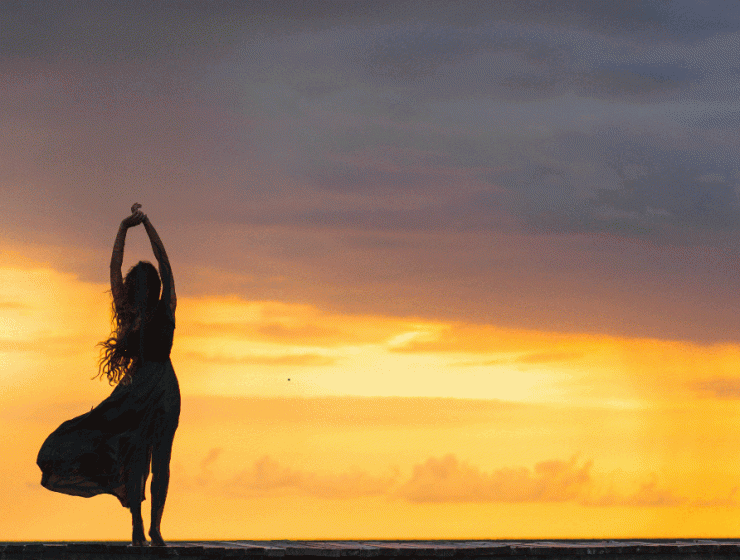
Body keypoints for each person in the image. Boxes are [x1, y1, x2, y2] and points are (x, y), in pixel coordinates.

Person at [37, 204, 181, 547]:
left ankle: (148, 528)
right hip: (146, 390)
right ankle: (144, 526)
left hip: (155, 391)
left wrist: (135, 226)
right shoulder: (141, 311)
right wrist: (133, 226)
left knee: (151, 459)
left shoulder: (156, 310)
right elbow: (133, 267)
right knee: (144, 458)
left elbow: (153, 265)